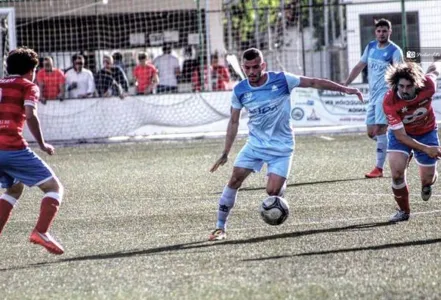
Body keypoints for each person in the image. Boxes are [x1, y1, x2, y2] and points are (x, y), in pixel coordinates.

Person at [208, 48, 363, 241]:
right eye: (247, 68)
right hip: (255, 145)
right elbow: (233, 121)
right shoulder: (240, 90)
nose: (252, 72)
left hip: (282, 147)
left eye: (256, 67)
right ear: (243, 67)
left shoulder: (282, 80)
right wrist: (225, 152)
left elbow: (313, 81)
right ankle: (220, 228)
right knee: (234, 180)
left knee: (272, 192)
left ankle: (280, 187)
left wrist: (344, 88)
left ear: (262, 65)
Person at [0, 48, 65, 254]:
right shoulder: (28, 86)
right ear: (31, 71)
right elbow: (30, 115)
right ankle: (41, 231)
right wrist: (42, 144)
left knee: (13, 189)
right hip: (12, 148)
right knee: (54, 188)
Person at [344, 18, 403, 178]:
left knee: (380, 129)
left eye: (385, 31)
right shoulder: (370, 46)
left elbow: (399, 75)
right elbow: (359, 66)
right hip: (373, 95)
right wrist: (347, 83)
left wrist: (396, 96)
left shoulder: (395, 51)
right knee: (371, 132)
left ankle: (379, 168)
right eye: (379, 31)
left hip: (386, 95)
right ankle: (400, 146)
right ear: (375, 32)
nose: (381, 33)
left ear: (390, 32)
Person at [383, 61, 441, 222]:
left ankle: (427, 184)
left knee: (427, 179)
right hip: (401, 135)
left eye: (408, 86)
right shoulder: (389, 101)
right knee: (396, 174)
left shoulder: (428, 85)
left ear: (417, 83)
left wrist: (438, 61)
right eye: (401, 86)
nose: (404, 90)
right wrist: (426, 149)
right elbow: (400, 136)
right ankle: (404, 211)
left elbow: (434, 71)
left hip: (427, 132)